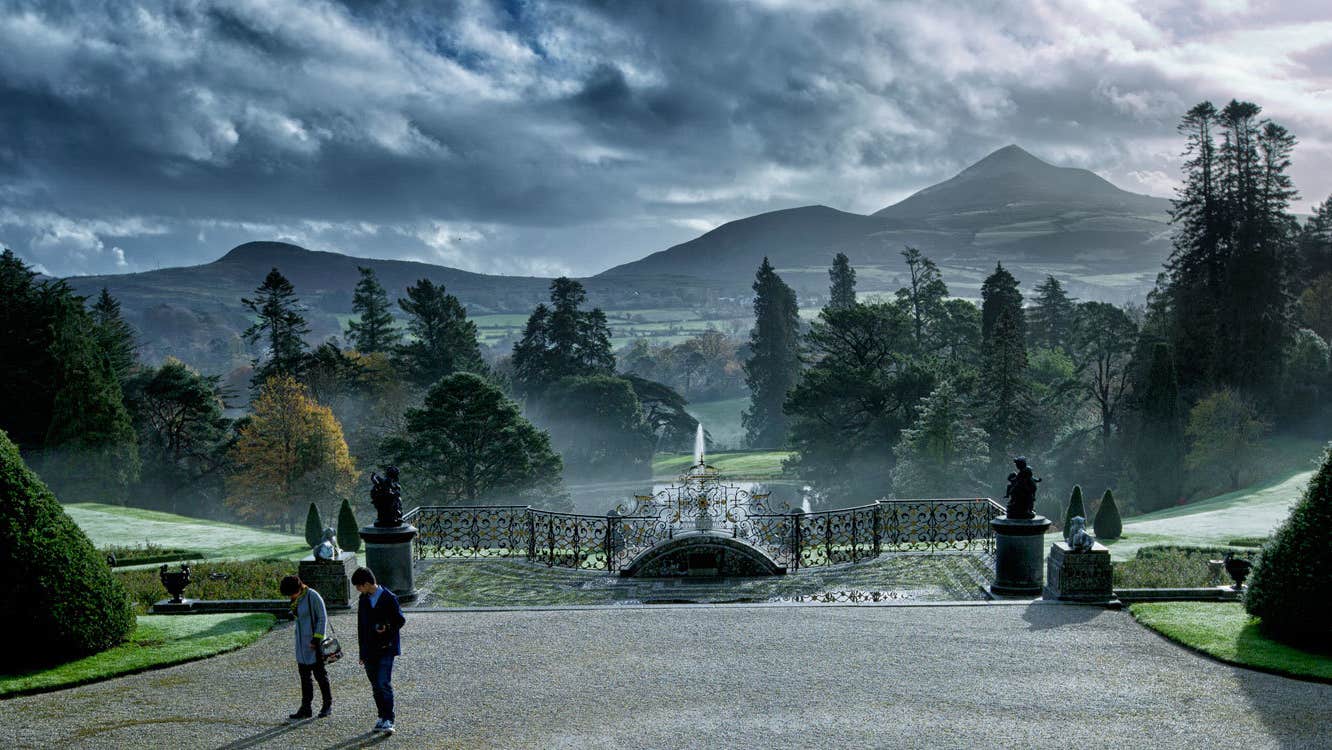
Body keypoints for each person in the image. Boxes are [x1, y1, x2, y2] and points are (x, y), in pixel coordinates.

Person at [352, 566, 406, 734]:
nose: (358, 590)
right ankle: (382, 716)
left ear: (367, 583)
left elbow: (400, 620)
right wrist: (362, 653)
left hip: (386, 648)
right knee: (375, 685)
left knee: (383, 683)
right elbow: (361, 627)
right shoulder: (363, 599)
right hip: (369, 649)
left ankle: (389, 718)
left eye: (359, 586)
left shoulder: (389, 598)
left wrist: (387, 627)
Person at [279, 574, 333, 720]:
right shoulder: (296, 599)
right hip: (301, 645)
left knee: (320, 675)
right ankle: (306, 707)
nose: (290, 596)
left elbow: (322, 617)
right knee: (305, 677)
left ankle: (327, 705)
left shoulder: (312, 596)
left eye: (291, 593)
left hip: (314, 644)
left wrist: (317, 639)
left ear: (298, 587)